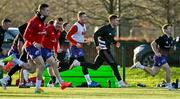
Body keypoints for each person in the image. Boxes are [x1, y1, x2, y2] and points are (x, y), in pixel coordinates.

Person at [70, 14, 128, 87]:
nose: (117, 22)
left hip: (106, 50)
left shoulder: (113, 29)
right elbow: (95, 35)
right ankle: (120, 83)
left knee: (95, 66)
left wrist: (115, 42)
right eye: (116, 20)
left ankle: (78, 63)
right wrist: (97, 45)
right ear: (112, 20)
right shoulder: (105, 28)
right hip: (103, 50)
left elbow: (110, 39)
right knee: (113, 65)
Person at [130, 24, 176, 90]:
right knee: (168, 69)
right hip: (159, 57)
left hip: (163, 57)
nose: (171, 30)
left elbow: (170, 47)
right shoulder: (162, 38)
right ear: (165, 30)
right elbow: (153, 44)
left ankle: (139, 66)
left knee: (153, 73)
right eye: (169, 29)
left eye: (172, 29)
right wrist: (156, 52)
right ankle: (169, 85)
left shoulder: (171, 39)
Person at [66, 11, 100, 87]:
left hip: (79, 48)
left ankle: (54, 75)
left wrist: (85, 41)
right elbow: (68, 36)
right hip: (75, 48)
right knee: (83, 63)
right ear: (79, 18)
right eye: (83, 17)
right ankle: (89, 82)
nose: (85, 18)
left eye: (86, 17)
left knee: (69, 65)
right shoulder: (75, 26)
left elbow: (79, 37)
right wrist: (76, 43)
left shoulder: (83, 25)